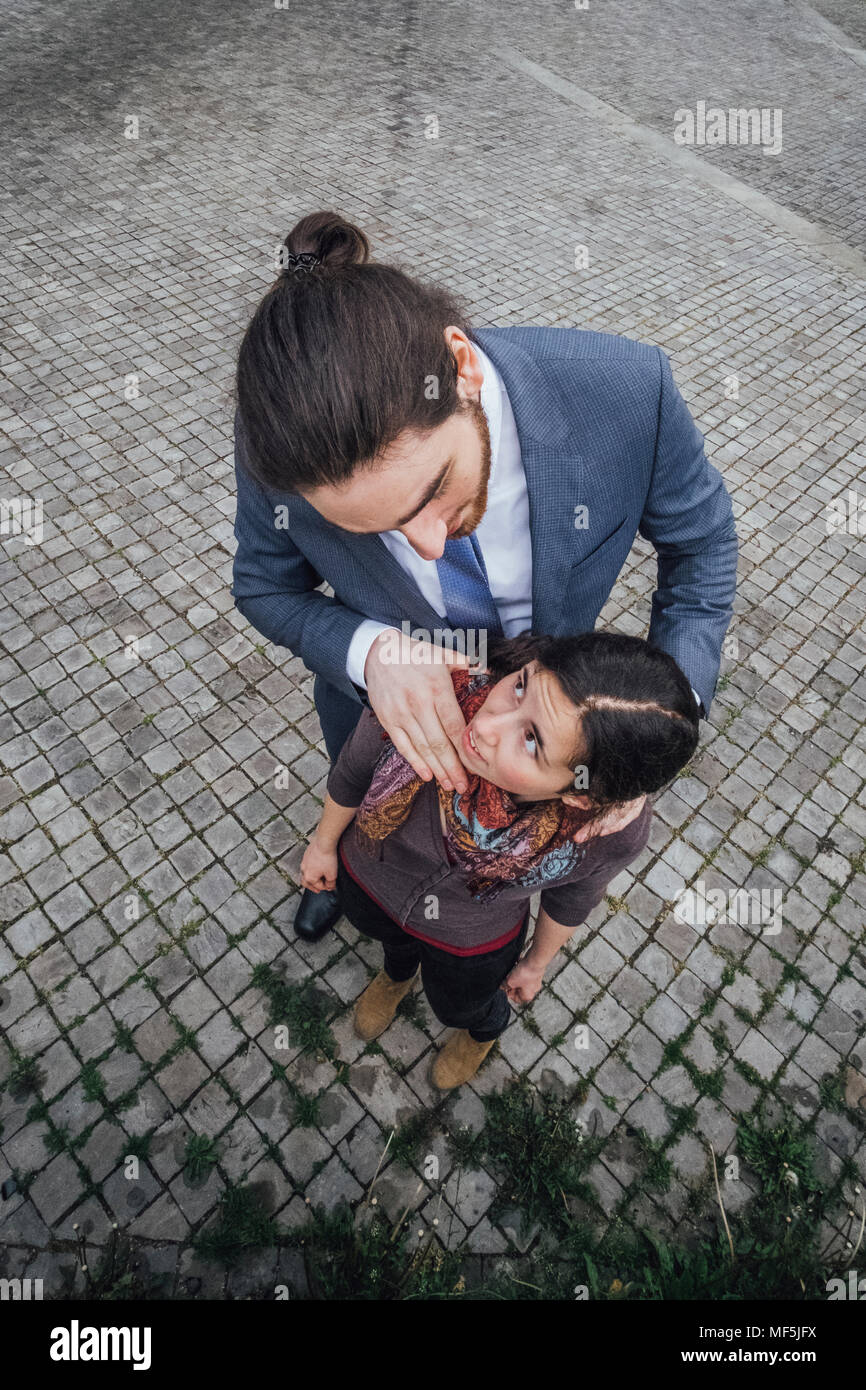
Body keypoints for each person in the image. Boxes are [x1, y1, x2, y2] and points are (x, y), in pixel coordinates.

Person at [232, 209, 738, 942]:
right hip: (382, 731)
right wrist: (372, 652)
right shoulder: (275, 453)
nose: (427, 546)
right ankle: (354, 874)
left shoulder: (630, 393)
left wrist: (666, 715)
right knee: (369, 836)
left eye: (433, 490)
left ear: (463, 367)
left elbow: (703, 547)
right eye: (368, 530)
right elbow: (264, 588)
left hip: (548, 740)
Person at [298, 630, 700, 1090]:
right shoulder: (423, 691)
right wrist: (323, 845)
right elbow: (351, 773)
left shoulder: (606, 832)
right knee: (390, 940)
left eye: (531, 741)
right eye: (521, 686)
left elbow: (574, 896)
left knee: (459, 1005)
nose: (486, 726)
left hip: (472, 942)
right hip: (372, 882)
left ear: (582, 796)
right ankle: (396, 972)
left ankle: (482, 1029)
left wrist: (535, 965)